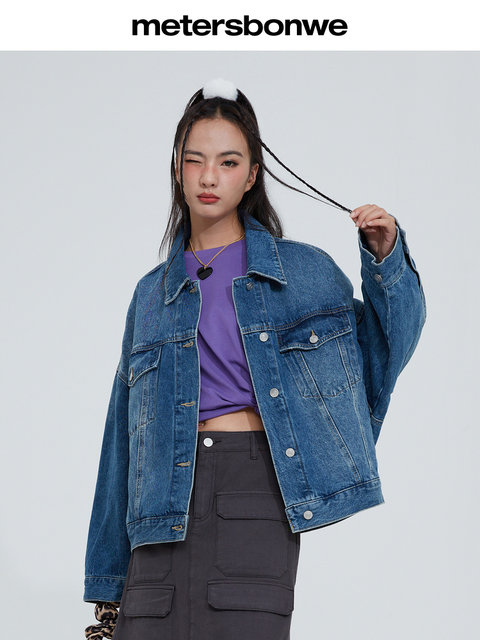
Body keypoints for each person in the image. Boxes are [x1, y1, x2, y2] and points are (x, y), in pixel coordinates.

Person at [83, 78, 426, 639]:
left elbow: (387, 346)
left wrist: (386, 261)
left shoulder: (304, 272)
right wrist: (106, 587)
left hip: (254, 492)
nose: (209, 177)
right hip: (158, 512)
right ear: (177, 170)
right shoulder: (150, 294)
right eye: (194, 160)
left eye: (228, 161)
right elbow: (120, 439)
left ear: (251, 176)